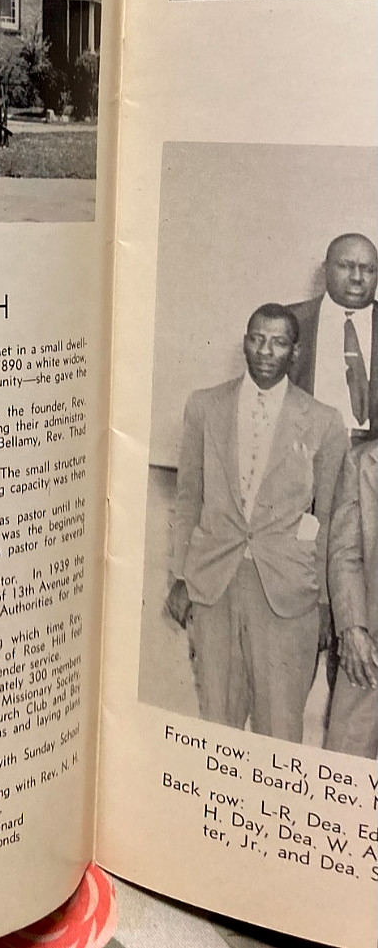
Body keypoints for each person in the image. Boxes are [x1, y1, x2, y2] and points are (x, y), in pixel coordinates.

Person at [166, 304, 348, 741]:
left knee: (280, 727)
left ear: (296, 352)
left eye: (279, 342)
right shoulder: (205, 406)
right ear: (245, 341)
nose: (266, 351)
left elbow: (327, 518)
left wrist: (324, 602)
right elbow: (189, 496)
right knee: (217, 720)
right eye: (257, 339)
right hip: (216, 582)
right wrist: (180, 575)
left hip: (287, 592)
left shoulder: (324, 421)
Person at [288, 233, 377, 443]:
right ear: (325, 268)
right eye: (345, 266)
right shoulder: (292, 321)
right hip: (307, 454)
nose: (357, 277)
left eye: (369, 269)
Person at [325, 439, 378, 758]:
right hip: (368, 655)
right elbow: (345, 553)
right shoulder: (362, 462)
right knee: (346, 762)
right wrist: (352, 629)